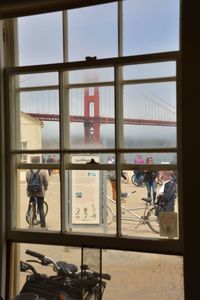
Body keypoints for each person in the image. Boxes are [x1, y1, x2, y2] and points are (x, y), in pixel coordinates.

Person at [26, 156, 49, 229]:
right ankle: (43, 225)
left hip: (31, 192)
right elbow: (46, 182)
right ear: (38, 162)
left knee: (31, 204)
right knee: (41, 207)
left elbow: (27, 180)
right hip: (40, 192)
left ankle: (30, 219)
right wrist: (45, 188)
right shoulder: (42, 171)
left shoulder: (28, 171)